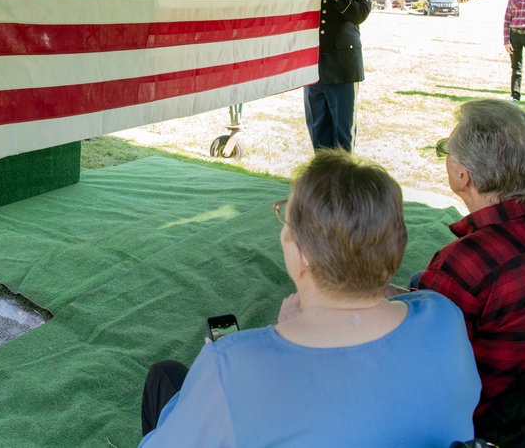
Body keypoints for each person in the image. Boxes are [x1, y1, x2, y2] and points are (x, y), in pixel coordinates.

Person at [139, 151, 481, 447]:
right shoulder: (444, 317)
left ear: (302, 255)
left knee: (165, 377)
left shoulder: (231, 363)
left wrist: (284, 339)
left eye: (287, 219)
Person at [418, 99, 525, 417]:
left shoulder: (464, 264)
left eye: (447, 151)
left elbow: (423, 364)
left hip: (477, 414)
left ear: (462, 176)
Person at [304, 0, 372, 152]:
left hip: (343, 70)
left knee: (343, 134)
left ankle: (343, 183)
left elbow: (359, 14)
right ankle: (322, 182)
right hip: (314, 69)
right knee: (318, 131)